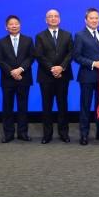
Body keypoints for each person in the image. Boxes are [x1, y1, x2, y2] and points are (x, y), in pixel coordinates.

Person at [73, 8, 99, 145]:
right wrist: (93, 63)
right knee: (85, 106)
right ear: (86, 20)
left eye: (96, 18)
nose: (94, 20)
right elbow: (76, 57)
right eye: (91, 18)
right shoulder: (79, 35)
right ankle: (84, 134)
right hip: (87, 76)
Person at [34, 9, 74, 144]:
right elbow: (39, 55)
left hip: (63, 76)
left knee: (63, 106)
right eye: (50, 17)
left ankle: (64, 133)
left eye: (56, 16)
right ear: (46, 20)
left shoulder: (67, 35)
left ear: (60, 19)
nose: (53, 18)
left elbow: (70, 54)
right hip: (46, 76)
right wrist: (53, 68)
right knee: (47, 106)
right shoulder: (40, 36)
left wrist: (61, 67)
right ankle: (47, 134)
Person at [0, 15, 35, 143]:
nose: (14, 26)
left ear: (20, 25)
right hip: (8, 79)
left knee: (22, 107)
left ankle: (23, 133)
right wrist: (11, 72)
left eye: (16, 23)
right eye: (11, 24)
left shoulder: (28, 40)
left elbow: (31, 57)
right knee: (7, 107)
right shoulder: (1, 42)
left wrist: (20, 69)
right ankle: (8, 133)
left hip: (24, 78)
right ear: (6, 27)